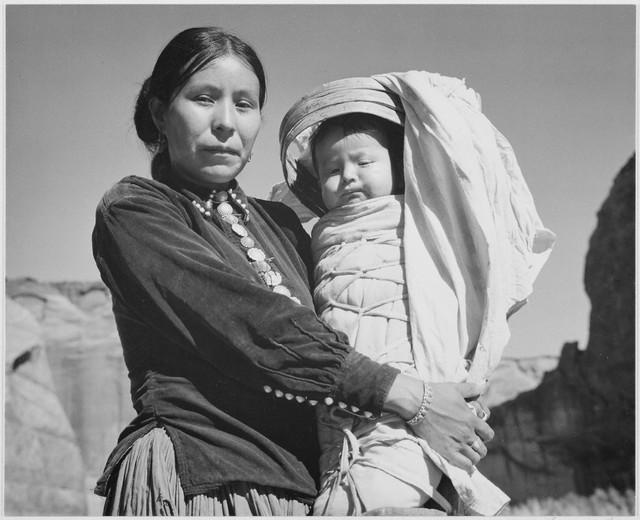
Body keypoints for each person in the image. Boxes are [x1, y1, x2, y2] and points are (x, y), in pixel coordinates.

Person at [92, 28, 493, 516]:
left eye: (245, 104)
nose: (226, 123)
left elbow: (356, 324)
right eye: (203, 98)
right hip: (205, 480)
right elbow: (254, 324)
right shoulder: (137, 211)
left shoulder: (284, 224)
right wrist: (413, 398)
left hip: (312, 488)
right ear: (160, 112)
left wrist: (447, 394)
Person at [278, 73, 555, 515]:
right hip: (348, 404)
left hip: (411, 399)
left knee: (373, 494)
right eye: (332, 169)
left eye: (363, 162)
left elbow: (455, 137)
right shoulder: (315, 237)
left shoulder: (421, 221)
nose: (347, 176)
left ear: (398, 163)